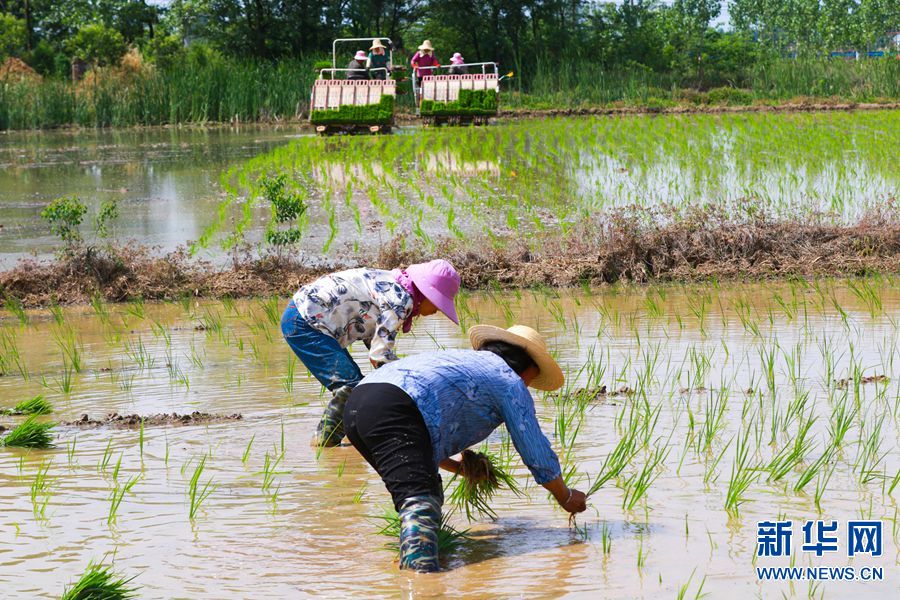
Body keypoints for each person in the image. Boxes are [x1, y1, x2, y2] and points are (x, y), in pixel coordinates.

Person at [344, 324, 588, 572]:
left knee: (423, 490)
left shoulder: (461, 362)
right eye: (532, 378)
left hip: (357, 407)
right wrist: (565, 496)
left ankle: (416, 562)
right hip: (395, 407)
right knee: (420, 500)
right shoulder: (508, 380)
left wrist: (461, 468)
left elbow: (419, 439)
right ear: (529, 369)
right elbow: (535, 452)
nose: (528, 385)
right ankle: (421, 581)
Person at [280, 260, 461, 447]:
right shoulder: (401, 300)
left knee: (357, 386)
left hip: (302, 314)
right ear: (425, 294)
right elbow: (379, 357)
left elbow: (374, 340)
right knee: (350, 387)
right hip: (305, 322)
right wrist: (413, 389)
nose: (438, 310)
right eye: (438, 303)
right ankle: (324, 443)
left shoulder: (394, 284)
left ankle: (355, 436)